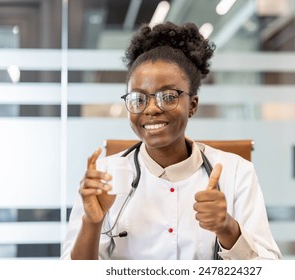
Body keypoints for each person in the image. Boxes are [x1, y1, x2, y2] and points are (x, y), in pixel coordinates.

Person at [61, 21, 281, 260]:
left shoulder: (237, 172)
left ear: (192, 105)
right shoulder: (103, 177)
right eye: (138, 98)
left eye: (168, 96)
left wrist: (227, 228)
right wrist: (92, 222)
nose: (152, 109)